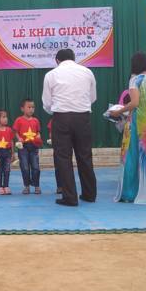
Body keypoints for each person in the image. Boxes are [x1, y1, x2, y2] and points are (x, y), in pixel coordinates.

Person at [42, 49, 97, 207]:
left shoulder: (51, 75)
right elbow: (92, 98)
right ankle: (89, 194)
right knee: (85, 156)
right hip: (83, 117)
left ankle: (70, 197)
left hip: (61, 117)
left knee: (63, 158)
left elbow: (47, 103)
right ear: (74, 58)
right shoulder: (87, 72)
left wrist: (58, 111)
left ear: (57, 60)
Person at [109, 53, 146, 205]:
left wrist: (118, 112)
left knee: (131, 157)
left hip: (137, 122)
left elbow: (134, 103)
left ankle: (130, 193)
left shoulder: (135, 80)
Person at [12, 99, 42, 195]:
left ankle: (36, 185)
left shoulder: (36, 120)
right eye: (29, 107)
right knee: (24, 167)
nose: (31, 109)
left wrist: (38, 136)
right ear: (22, 109)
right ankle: (26, 186)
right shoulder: (19, 120)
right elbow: (15, 132)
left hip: (34, 147)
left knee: (36, 167)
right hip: (23, 147)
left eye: (33, 107)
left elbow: (38, 132)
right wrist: (19, 138)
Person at [47, 120, 61, 194]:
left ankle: (66, 187)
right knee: (58, 167)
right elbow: (50, 133)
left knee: (66, 166)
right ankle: (60, 187)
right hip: (57, 147)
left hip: (66, 147)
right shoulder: (53, 120)